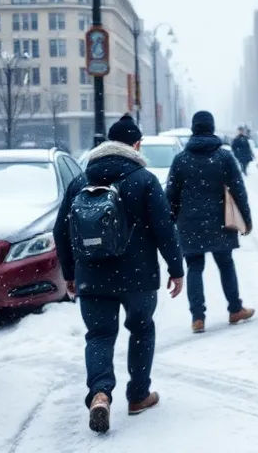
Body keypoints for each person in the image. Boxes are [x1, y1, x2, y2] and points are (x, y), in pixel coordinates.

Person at [51, 114, 185, 434]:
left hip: (92, 276)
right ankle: (138, 395)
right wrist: (177, 269)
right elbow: (164, 229)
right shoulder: (144, 180)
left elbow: (61, 231)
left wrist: (70, 274)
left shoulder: (80, 181)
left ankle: (100, 392)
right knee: (141, 329)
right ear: (136, 145)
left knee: (99, 336)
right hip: (138, 276)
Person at [166, 111, 256, 333]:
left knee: (194, 267)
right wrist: (246, 218)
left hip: (189, 223)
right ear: (212, 128)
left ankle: (198, 318)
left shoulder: (181, 159)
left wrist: (172, 219)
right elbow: (238, 190)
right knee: (225, 263)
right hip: (221, 221)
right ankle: (235, 309)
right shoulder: (224, 157)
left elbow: (171, 195)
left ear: (193, 129)